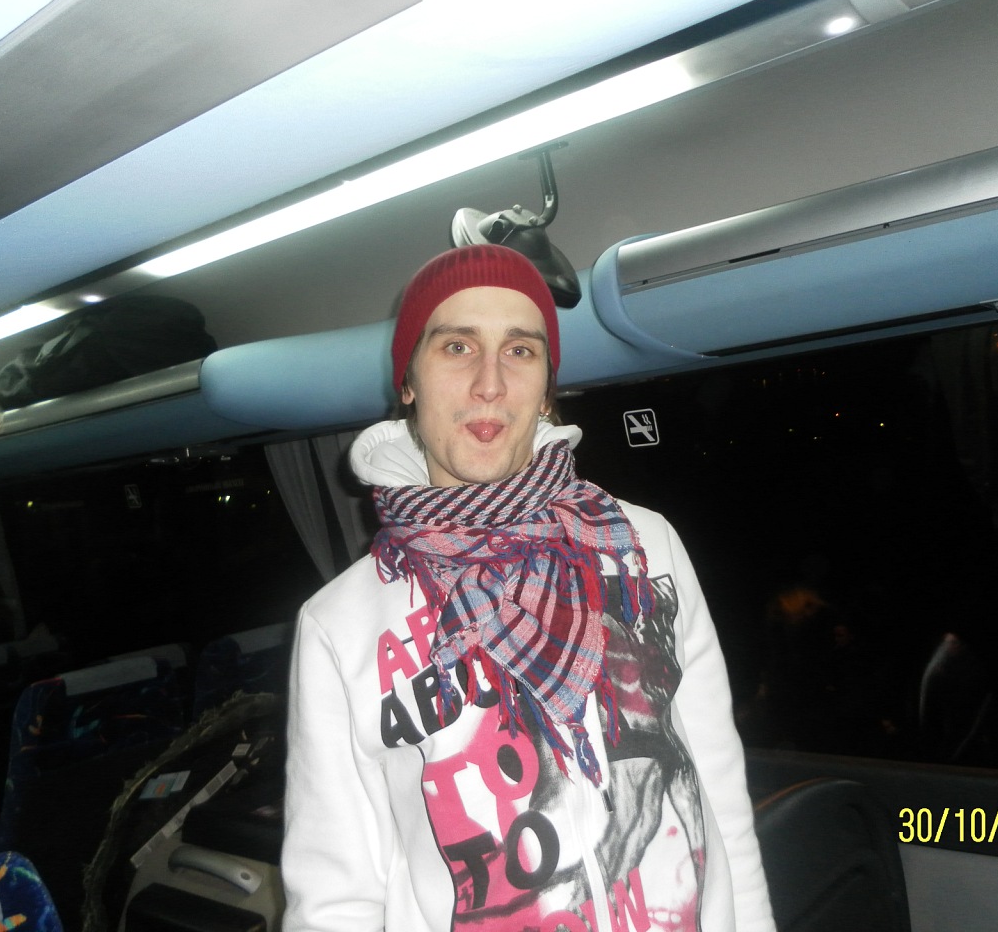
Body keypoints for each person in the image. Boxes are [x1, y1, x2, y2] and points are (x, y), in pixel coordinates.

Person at [282, 245, 774, 932]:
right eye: (457, 346)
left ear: (545, 389)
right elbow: (334, 896)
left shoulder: (641, 543)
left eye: (519, 351)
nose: (489, 383)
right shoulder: (339, 624)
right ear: (409, 381)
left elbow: (718, 784)